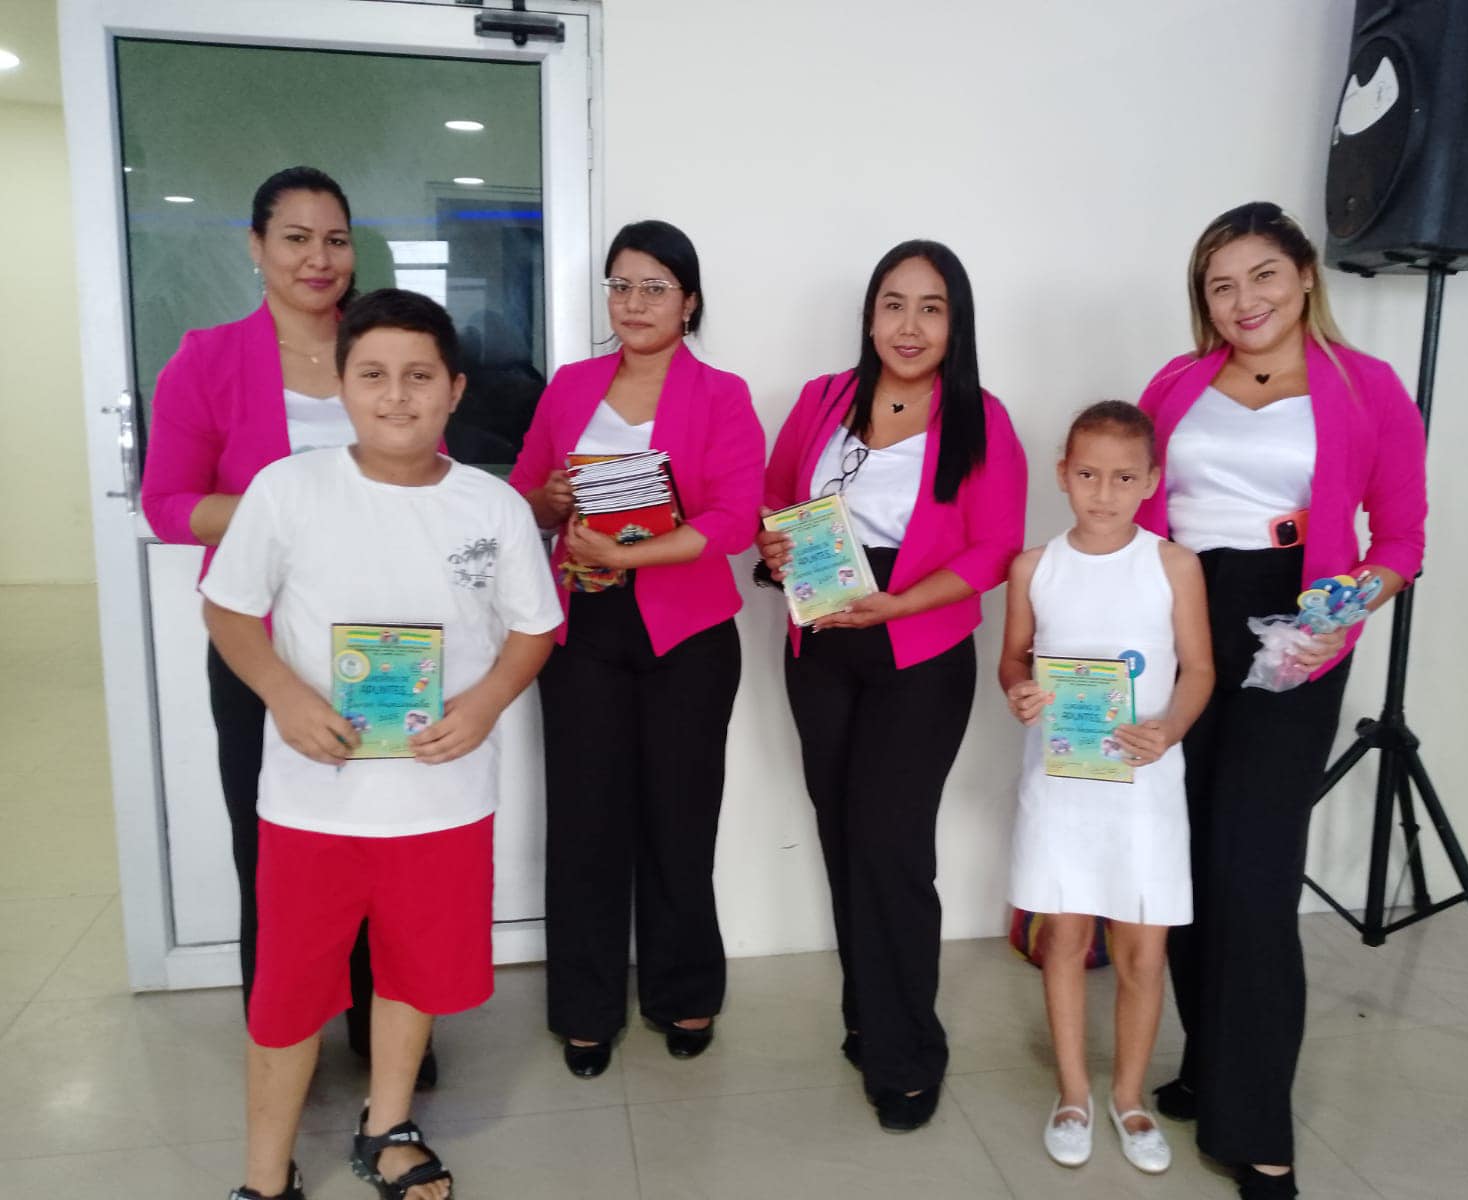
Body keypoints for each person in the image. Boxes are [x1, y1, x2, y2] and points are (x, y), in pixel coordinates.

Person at [204, 289, 562, 1200]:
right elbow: (229, 609)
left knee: (412, 972)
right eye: (373, 375)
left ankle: (385, 1126)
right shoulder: (289, 491)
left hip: (443, 797)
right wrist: (284, 695)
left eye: (418, 377)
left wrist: (486, 704)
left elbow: (535, 627)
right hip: (313, 800)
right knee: (287, 994)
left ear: (454, 390)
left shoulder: (491, 507)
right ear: (342, 384)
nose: (396, 396)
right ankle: (265, 1174)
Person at [1136, 202, 1427, 1199]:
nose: (1243, 300)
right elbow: (1139, 510)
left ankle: (1257, 1123)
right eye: (1220, 285)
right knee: (1181, 857)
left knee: (1252, 872)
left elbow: (1400, 538)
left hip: (1295, 624)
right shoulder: (1175, 384)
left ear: (1304, 274)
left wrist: (1347, 608)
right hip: (1179, 616)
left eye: (1262, 274)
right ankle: (1208, 1065)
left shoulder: (1367, 386)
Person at [140, 166, 425, 1077]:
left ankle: (386, 1031)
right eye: (295, 238)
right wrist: (287, 511)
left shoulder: (379, 351)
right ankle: (285, 1032)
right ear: (256, 247)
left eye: (335, 239)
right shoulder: (208, 359)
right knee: (275, 846)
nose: (317, 257)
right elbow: (166, 505)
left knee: (389, 839)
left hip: (386, 639)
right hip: (260, 644)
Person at [757, 240, 1027, 1132]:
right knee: (843, 836)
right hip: (820, 643)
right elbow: (774, 501)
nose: (910, 326)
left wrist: (900, 603)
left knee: (892, 848)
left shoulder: (982, 418)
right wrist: (773, 545)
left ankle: (908, 1051)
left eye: (932, 308)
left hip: (919, 650)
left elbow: (994, 549)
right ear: (870, 315)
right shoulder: (821, 399)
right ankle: (867, 1018)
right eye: (893, 304)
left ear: (957, 323)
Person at [509, 220, 764, 1078]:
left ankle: (682, 990)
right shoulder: (570, 387)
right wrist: (548, 502)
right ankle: (585, 1009)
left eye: (655, 287)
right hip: (581, 629)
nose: (635, 303)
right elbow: (525, 497)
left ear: (689, 302)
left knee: (679, 821)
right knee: (584, 823)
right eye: (621, 285)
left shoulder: (722, 395)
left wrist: (633, 556)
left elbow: (735, 518)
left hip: (687, 633)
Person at [999, 401, 1213, 1174]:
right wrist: (1019, 692)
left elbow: (1200, 668)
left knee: (1144, 953)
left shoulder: (1173, 565)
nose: (1104, 492)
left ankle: (1128, 1096)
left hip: (1143, 789)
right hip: (1061, 787)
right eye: (1088, 474)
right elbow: (1014, 659)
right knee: (1063, 938)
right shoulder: (1034, 567)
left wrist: (1171, 728)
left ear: (1151, 481)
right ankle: (1072, 1094)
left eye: (1124, 478)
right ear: (1063, 473)